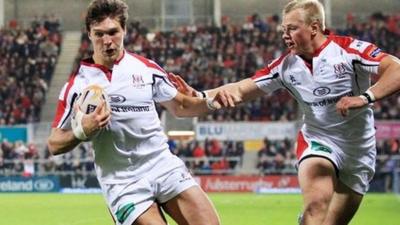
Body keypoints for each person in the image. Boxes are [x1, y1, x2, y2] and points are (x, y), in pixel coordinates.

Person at [168, 0, 400, 224]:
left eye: (292, 28)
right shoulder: (285, 67)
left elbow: (395, 69)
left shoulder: (349, 51)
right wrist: (200, 95)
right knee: (316, 205)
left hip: (359, 150)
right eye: (283, 29)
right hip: (318, 141)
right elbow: (241, 88)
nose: (285, 35)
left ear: (314, 28)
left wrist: (365, 97)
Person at [47, 0, 232, 224]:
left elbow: (181, 105)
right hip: (123, 182)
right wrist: (81, 131)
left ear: (124, 30)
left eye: (113, 32)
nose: (107, 41)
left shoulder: (146, 69)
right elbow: (54, 144)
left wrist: (212, 102)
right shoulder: (77, 86)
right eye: (99, 34)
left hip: (163, 166)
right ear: (89, 34)